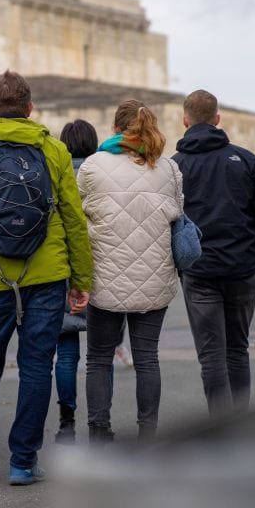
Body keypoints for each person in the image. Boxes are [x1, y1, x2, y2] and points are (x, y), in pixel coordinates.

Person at [0, 70, 92, 485]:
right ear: (30, 108)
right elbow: (74, 220)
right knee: (37, 368)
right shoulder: (55, 151)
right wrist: (81, 278)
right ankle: (23, 461)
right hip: (46, 277)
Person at [77, 102, 183, 443]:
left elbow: (79, 215)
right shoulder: (167, 168)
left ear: (116, 127)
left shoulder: (93, 165)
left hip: (104, 275)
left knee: (98, 358)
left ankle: (99, 430)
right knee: (147, 357)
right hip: (155, 275)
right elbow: (177, 211)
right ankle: (148, 433)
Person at [173, 90, 255, 416]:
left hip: (200, 270)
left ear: (185, 121)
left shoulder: (175, 167)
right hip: (241, 268)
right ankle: (241, 423)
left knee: (212, 356)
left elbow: (168, 220)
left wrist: (182, 263)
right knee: (238, 350)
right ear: (218, 119)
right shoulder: (244, 160)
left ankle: (222, 425)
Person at [54, 119, 98, 444]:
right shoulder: (101, 172)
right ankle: (100, 423)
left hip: (63, 271)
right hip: (101, 270)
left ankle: (66, 422)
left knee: (66, 353)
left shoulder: (55, 173)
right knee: (101, 353)